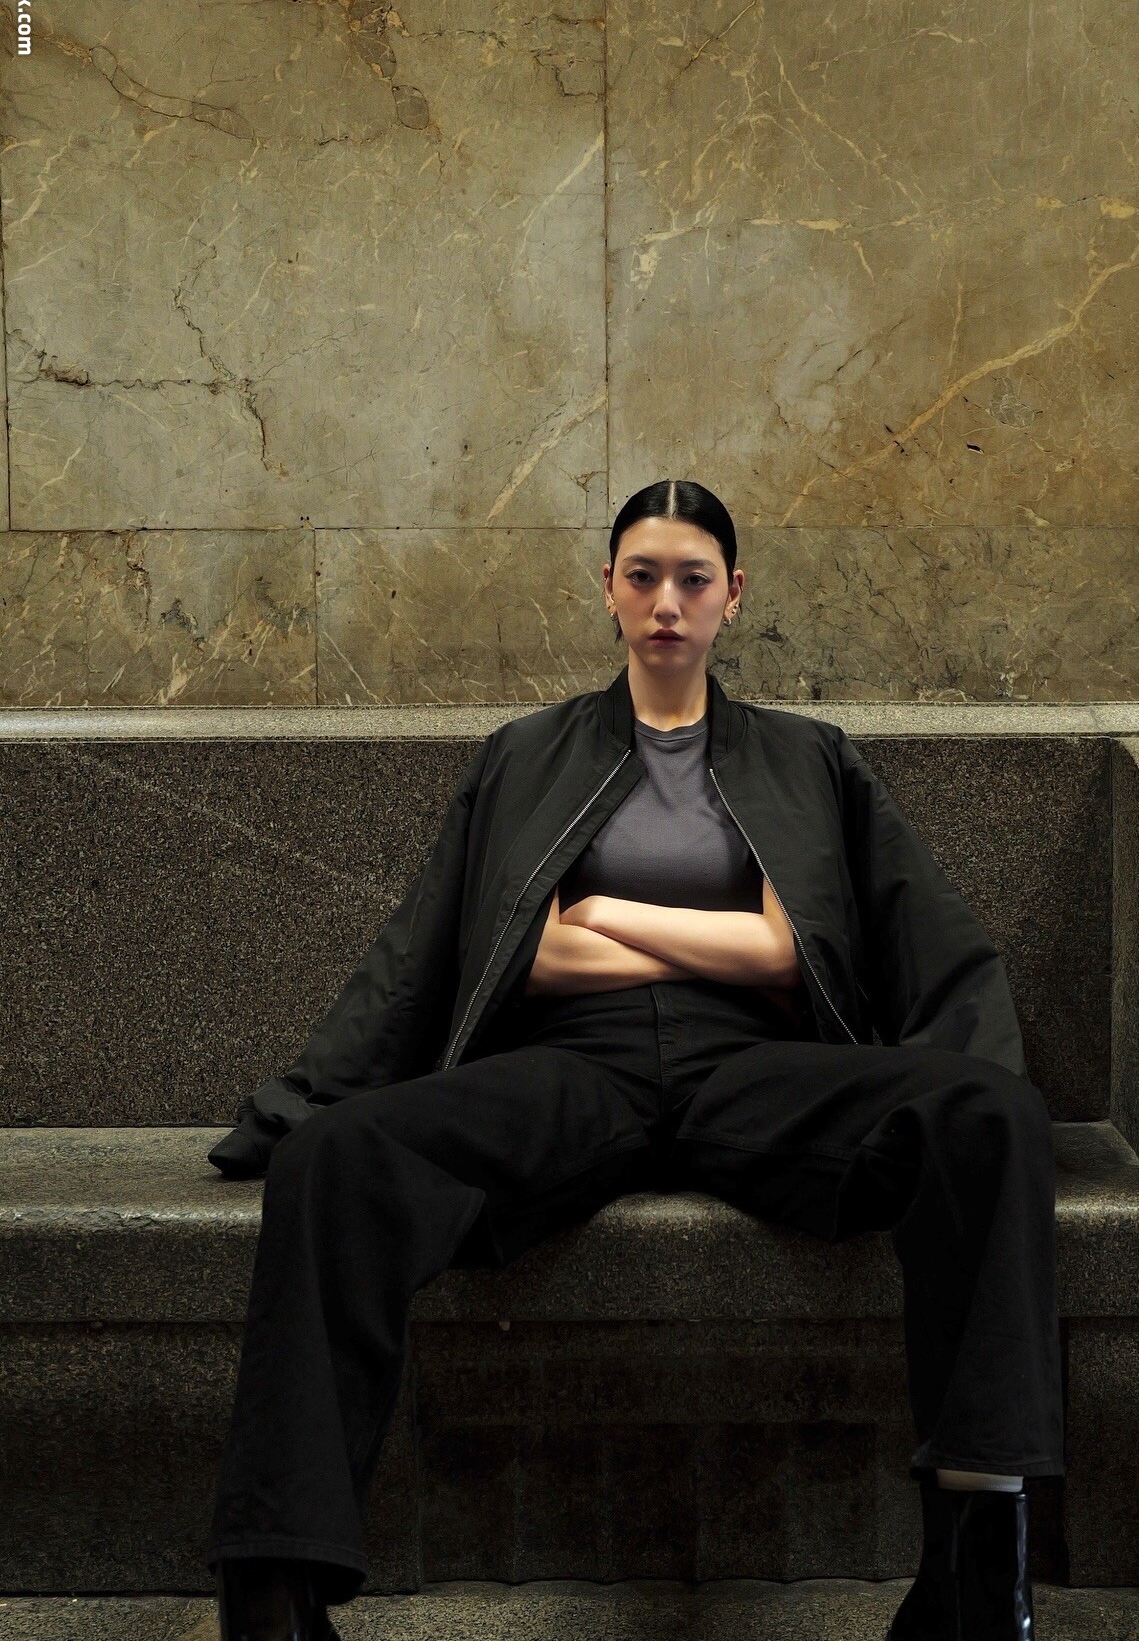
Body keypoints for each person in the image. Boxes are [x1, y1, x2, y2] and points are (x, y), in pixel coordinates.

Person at [205, 479, 1064, 1641]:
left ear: (732, 596)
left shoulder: (806, 757)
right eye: (644, 576)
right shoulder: (526, 755)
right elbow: (432, 952)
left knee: (988, 1116)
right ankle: (273, 1599)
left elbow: (891, 939)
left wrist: (604, 920)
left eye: (693, 580)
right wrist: (305, 1100)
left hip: (753, 1068)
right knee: (330, 1161)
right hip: (575, 1069)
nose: (667, 602)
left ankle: (979, 1576)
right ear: (607, 589)